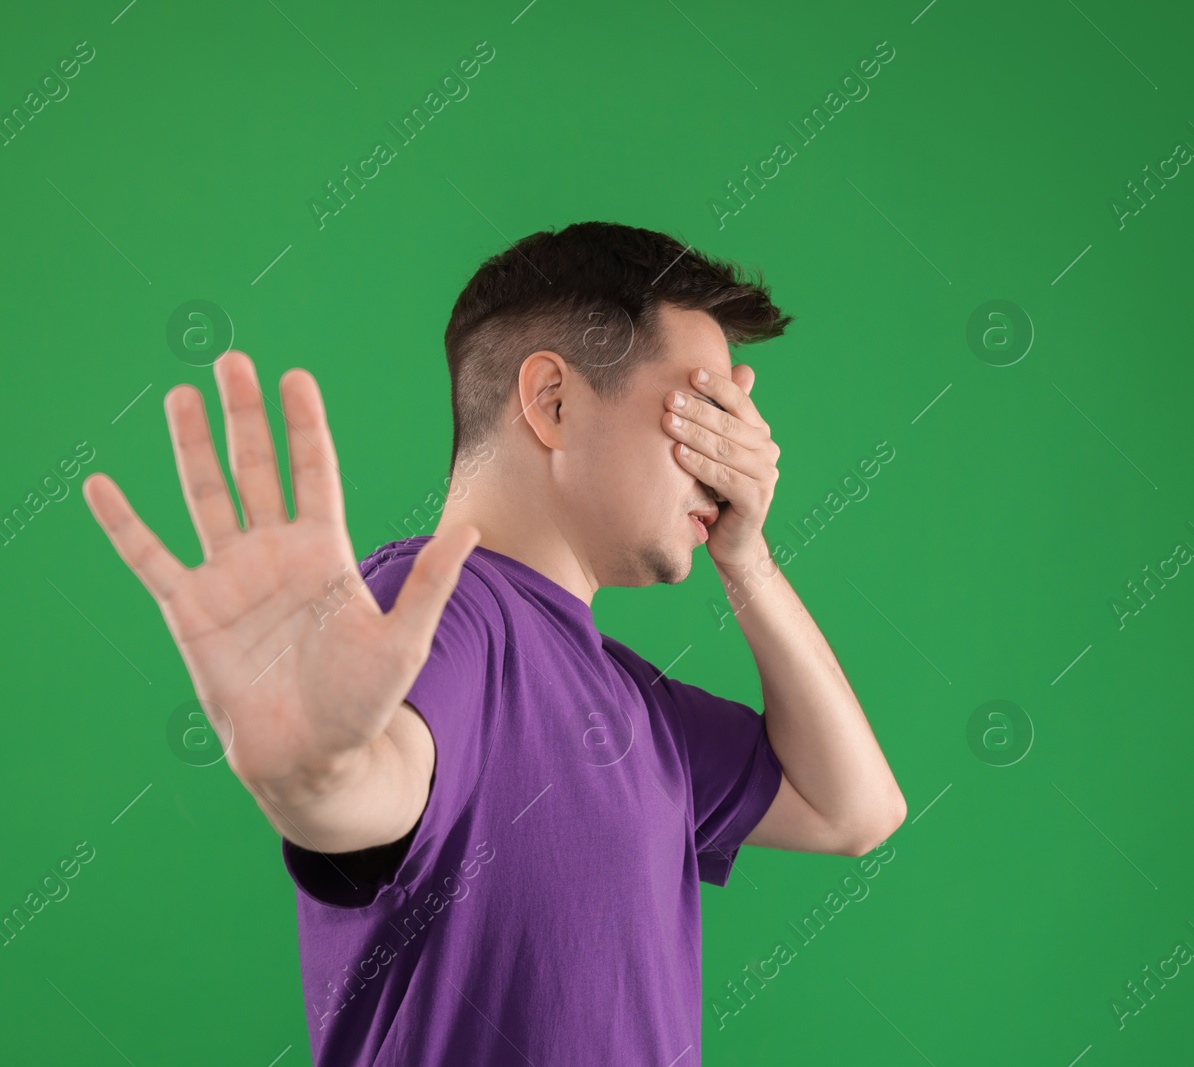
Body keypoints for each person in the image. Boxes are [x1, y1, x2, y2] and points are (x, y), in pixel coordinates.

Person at [81, 221, 906, 1065]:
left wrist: (748, 554)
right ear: (552, 400)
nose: (731, 461)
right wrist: (320, 774)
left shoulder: (632, 702)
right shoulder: (442, 607)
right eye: (704, 409)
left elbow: (856, 809)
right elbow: (383, 777)